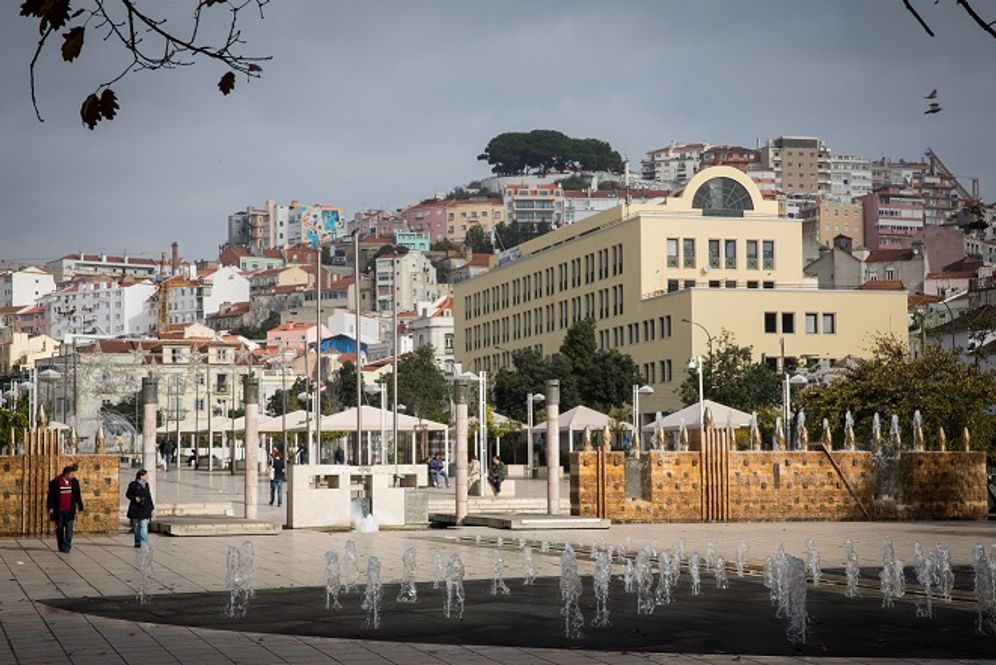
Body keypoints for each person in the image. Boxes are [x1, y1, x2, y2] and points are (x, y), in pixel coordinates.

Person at [47, 465, 83, 554]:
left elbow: (78, 495)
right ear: (66, 474)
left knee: (69, 529)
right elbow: (51, 496)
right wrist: (50, 507)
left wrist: (80, 505)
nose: (73, 476)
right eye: (71, 474)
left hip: (70, 510)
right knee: (59, 529)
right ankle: (61, 546)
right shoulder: (55, 482)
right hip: (59, 511)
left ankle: (67, 546)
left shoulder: (74, 482)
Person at [125, 469, 154, 548]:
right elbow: (128, 494)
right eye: (146, 475)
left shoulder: (146, 485)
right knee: (137, 527)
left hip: (145, 508)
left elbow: (148, 496)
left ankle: (144, 542)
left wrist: (151, 507)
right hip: (136, 508)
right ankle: (137, 542)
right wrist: (135, 498)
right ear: (141, 476)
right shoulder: (133, 484)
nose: (147, 477)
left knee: (144, 526)